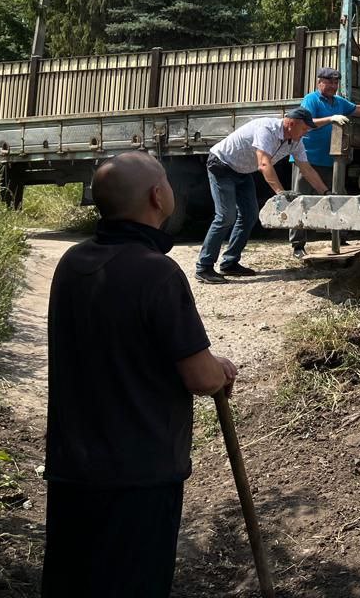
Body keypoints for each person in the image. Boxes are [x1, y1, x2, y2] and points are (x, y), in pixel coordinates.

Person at [42, 152, 237, 598]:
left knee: (72, 583)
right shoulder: (157, 273)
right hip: (138, 474)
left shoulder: (71, 263)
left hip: (72, 467)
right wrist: (219, 368)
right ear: (157, 196)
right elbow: (201, 377)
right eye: (166, 180)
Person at [196, 107, 340, 283]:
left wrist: (326, 192)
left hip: (241, 171)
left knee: (249, 215)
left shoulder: (295, 141)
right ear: (291, 123)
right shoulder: (267, 129)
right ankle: (204, 267)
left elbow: (307, 169)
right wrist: (281, 193)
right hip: (221, 164)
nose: (306, 132)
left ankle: (229, 263)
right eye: (304, 128)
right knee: (226, 216)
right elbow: (264, 164)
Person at [289, 67, 360, 259]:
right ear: (319, 82)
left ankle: (340, 236)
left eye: (335, 83)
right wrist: (331, 119)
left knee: (337, 196)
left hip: (332, 159)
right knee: (300, 199)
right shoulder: (311, 100)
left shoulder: (338, 102)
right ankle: (297, 245)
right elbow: (308, 121)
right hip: (308, 159)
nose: (333, 86)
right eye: (329, 82)